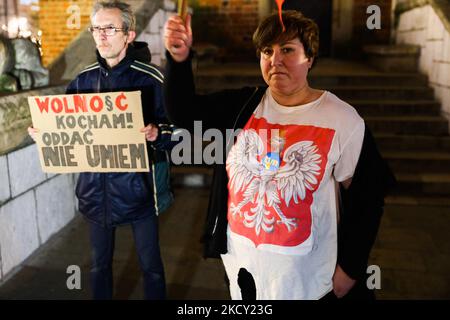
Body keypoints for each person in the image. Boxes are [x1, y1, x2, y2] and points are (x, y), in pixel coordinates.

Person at [163, 10, 395, 300]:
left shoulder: (342, 119)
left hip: (310, 283)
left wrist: (348, 271)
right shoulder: (243, 105)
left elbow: (369, 198)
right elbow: (184, 112)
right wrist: (179, 59)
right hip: (245, 274)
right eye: (267, 51)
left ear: (309, 58)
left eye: (287, 50)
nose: (275, 60)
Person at [29, 1, 174, 300]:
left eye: (110, 28)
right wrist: (46, 135)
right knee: (98, 266)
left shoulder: (153, 79)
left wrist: (157, 133)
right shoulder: (82, 81)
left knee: (152, 267)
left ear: (129, 35)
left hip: (140, 190)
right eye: (97, 28)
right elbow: (67, 132)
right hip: (95, 192)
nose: (101, 35)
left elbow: (180, 132)